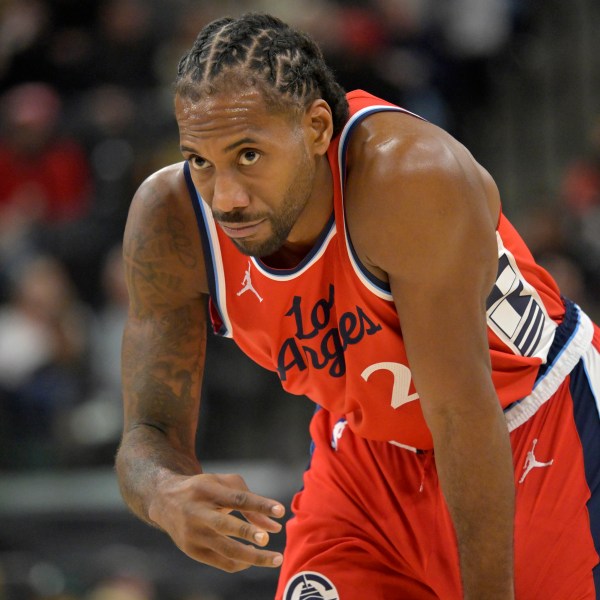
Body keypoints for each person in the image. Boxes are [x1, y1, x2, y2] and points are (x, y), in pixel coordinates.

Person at [115, 13, 600, 600]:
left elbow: (461, 418)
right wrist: (164, 494)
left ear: (317, 128)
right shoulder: (171, 222)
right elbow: (146, 432)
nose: (226, 197)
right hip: (366, 459)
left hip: (531, 429)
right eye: (201, 159)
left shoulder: (410, 178)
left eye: (248, 155)